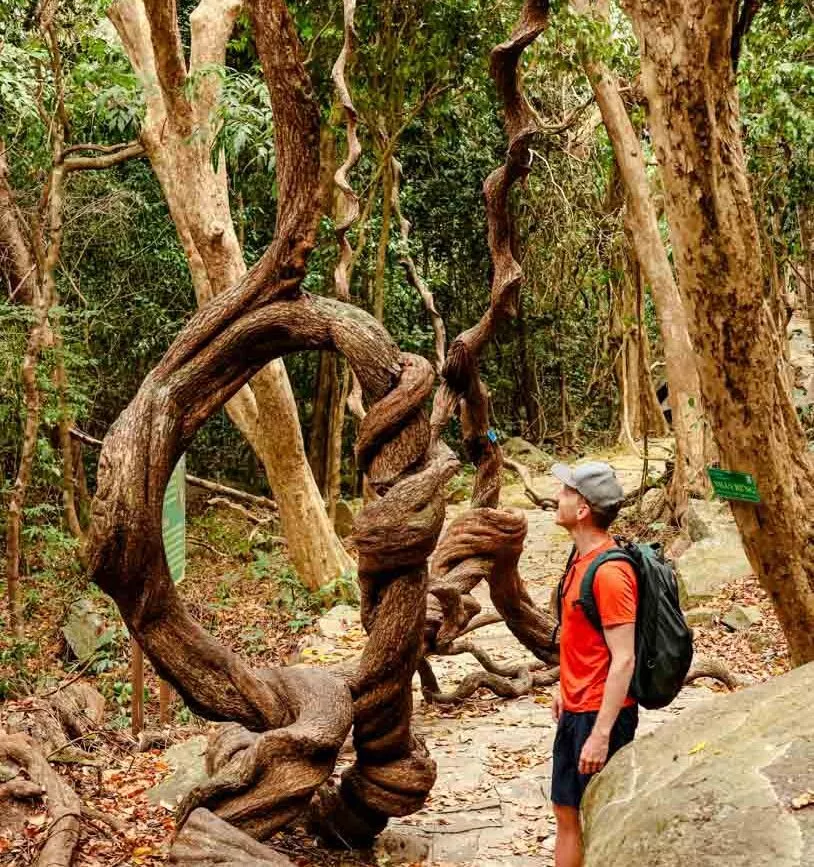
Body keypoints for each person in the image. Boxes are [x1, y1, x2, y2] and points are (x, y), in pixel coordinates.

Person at [549, 461, 638, 867]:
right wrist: (562, 688)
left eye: (566, 492)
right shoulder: (578, 561)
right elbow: (578, 637)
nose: (557, 496)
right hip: (575, 709)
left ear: (583, 508)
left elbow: (624, 660)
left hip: (602, 718)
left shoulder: (612, 573)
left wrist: (600, 735)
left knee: (600, 818)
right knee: (565, 811)